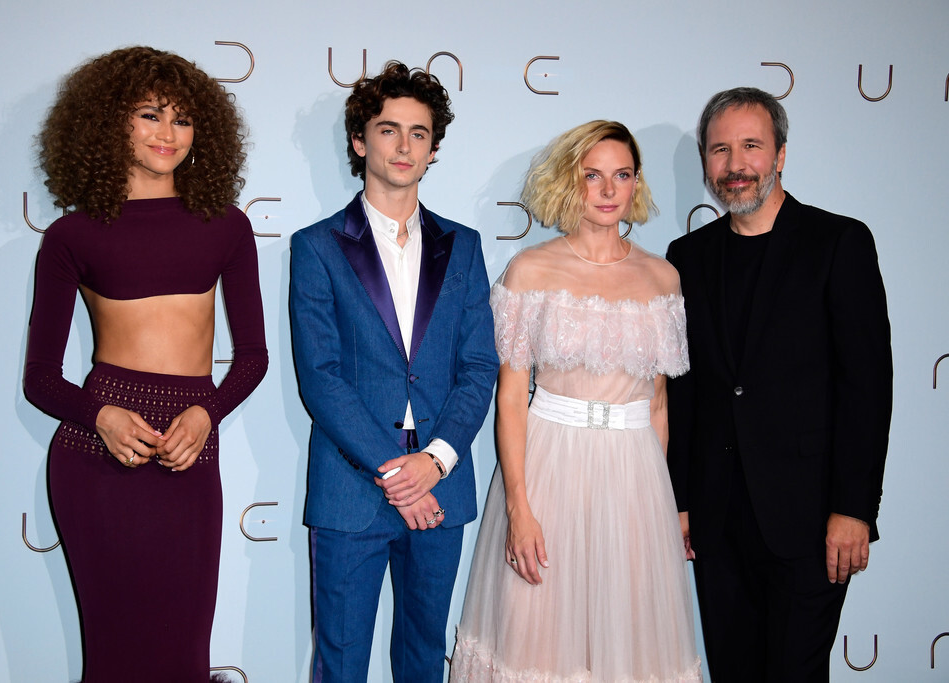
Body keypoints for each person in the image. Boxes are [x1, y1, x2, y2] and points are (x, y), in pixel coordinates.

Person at [24, 46, 268, 682]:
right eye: (151, 114)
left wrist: (207, 412)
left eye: (182, 119)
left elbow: (254, 358)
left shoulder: (226, 227)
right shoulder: (72, 236)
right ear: (112, 122)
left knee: (184, 654)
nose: (168, 133)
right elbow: (40, 378)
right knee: (112, 655)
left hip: (189, 450)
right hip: (97, 456)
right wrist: (100, 416)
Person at [450, 121, 702, 682]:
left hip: (634, 475)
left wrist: (656, 503)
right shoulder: (530, 270)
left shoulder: (663, 278)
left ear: (636, 183)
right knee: (536, 635)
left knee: (628, 641)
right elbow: (511, 398)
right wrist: (518, 507)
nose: (609, 190)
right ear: (570, 181)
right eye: (593, 176)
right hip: (550, 467)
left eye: (622, 175)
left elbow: (658, 405)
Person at [665, 87, 893, 681]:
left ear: (781, 154)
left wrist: (853, 509)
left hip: (811, 520)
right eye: (720, 149)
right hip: (717, 519)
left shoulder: (838, 243)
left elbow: (866, 388)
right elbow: (684, 392)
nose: (735, 164)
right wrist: (681, 500)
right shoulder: (686, 257)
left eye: (751, 146)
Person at [289, 60, 498, 682]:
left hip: (441, 483)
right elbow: (321, 376)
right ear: (360, 142)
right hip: (351, 485)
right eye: (388, 130)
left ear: (433, 150)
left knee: (423, 660)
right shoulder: (316, 245)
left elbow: (478, 366)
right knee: (341, 663)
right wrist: (395, 472)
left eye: (418, 133)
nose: (404, 145)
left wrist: (434, 462)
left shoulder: (464, 246)